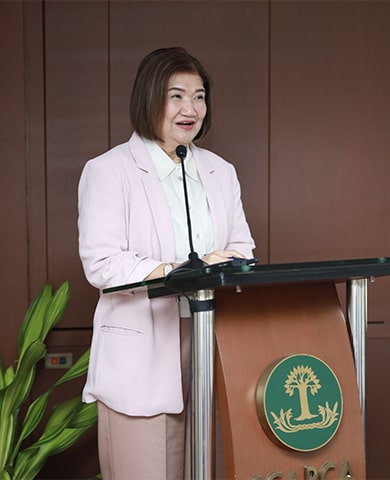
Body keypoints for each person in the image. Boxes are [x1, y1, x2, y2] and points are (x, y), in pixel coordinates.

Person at [78, 47, 256, 479]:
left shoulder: (220, 171)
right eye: (176, 96)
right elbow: (102, 262)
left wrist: (223, 264)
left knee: (212, 466)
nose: (189, 109)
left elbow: (243, 249)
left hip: (212, 339)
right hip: (144, 346)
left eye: (199, 97)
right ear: (149, 98)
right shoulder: (108, 171)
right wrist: (179, 270)